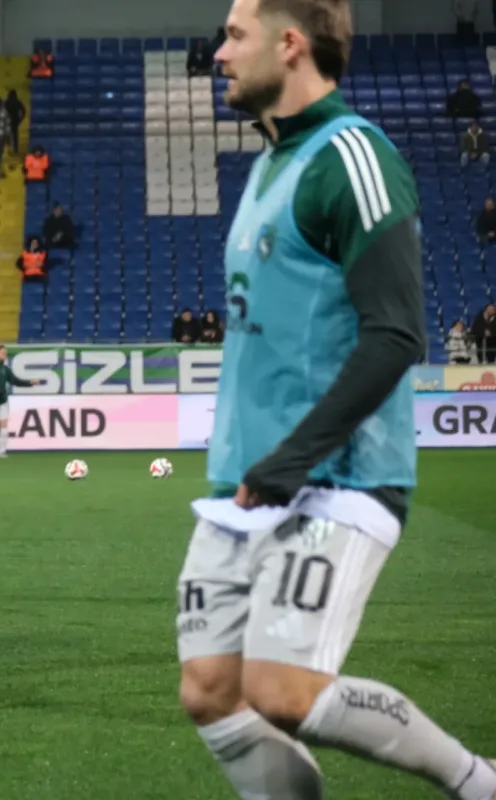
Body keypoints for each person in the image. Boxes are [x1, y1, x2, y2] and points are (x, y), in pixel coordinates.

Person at [176, 1, 496, 799]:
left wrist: (293, 459)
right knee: (210, 692)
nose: (220, 54)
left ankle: (478, 783)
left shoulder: (352, 156)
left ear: (291, 44)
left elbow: (397, 334)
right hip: (249, 481)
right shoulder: (270, 165)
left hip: (338, 478)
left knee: (283, 692)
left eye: (236, 36)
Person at [0, 345, 43, 457]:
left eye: (6, 354)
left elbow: (15, 381)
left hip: (3, 401)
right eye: (3, 353)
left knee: (4, 426)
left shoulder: (5, 369)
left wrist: (30, 383)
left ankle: (1, 451)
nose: (5, 355)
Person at [5, 89, 27, 154]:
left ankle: (9, 148)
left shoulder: (7, 102)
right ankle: (15, 149)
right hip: (15, 120)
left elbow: (2, 111)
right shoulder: (17, 102)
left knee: (8, 135)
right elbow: (24, 111)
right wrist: (21, 119)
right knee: (15, 135)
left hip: (8, 120)